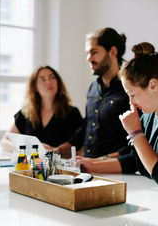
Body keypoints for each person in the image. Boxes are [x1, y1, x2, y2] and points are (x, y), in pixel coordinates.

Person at [80, 43, 158, 186]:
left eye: (132, 94)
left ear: (153, 85)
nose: (131, 102)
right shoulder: (149, 114)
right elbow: (137, 158)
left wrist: (135, 133)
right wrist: (92, 165)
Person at [52, 27, 130, 158]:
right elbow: (87, 127)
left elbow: (137, 138)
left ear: (112, 51)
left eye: (93, 52)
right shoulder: (93, 87)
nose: (89, 58)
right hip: (90, 167)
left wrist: (103, 161)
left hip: (118, 172)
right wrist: (57, 150)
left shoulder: (131, 87)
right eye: (88, 53)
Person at [0, 66, 83, 152]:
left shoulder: (72, 113)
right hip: (31, 165)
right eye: (42, 79)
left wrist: (57, 151)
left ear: (58, 82)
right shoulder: (26, 113)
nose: (48, 82)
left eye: (52, 77)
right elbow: (4, 142)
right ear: (35, 87)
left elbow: (80, 145)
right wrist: (29, 148)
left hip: (61, 164)